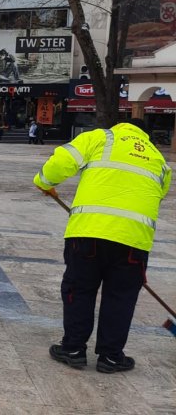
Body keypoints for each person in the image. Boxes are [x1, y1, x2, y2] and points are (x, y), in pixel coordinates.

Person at [35, 118, 171, 373]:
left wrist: (44, 181)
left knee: (80, 290)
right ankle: (111, 357)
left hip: (88, 233)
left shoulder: (100, 137)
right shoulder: (158, 159)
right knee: (121, 297)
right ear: (146, 136)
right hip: (133, 240)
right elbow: (157, 194)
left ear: (120, 126)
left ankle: (73, 349)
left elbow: (62, 161)